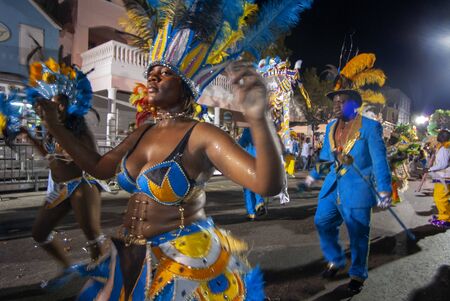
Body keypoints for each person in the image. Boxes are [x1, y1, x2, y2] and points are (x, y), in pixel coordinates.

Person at [31, 0, 309, 298]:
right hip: (132, 255)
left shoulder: (201, 134)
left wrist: (258, 117)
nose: (153, 76)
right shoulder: (143, 132)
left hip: (181, 263)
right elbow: (99, 167)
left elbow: (267, 183)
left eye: (165, 73)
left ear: (186, 85)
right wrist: (55, 126)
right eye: (152, 71)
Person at [301, 53, 392, 294]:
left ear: (354, 104)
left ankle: (358, 274)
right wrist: (313, 176)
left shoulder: (370, 127)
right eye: (335, 102)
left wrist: (384, 189)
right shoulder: (331, 127)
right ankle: (336, 258)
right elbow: (324, 159)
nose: (336, 105)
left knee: (359, 235)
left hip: (359, 189)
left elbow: (380, 160)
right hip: (332, 187)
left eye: (341, 101)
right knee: (322, 221)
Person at [21, 59, 110, 277]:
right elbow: (50, 158)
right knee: (39, 232)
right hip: (60, 189)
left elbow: (93, 158)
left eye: (61, 103)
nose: (57, 107)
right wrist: (31, 138)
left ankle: (106, 276)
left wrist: (69, 148)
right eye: (54, 103)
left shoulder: (78, 130)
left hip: (82, 186)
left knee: (93, 237)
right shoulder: (51, 130)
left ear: (69, 106)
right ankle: (66, 268)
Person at [238, 128, 268, 220]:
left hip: (249, 161)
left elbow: (241, 144)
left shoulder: (247, 131)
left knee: (248, 188)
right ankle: (260, 203)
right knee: (258, 184)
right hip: (261, 161)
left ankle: (251, 213)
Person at [427, 129, 450, 228]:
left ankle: (445, 219)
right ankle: (444, 216)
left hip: (444, 177)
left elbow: (443, 164)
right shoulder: (444, 147)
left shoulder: (445, 148)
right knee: (440, 198)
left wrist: (429, 169)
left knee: (440, 198)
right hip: (443, 176)